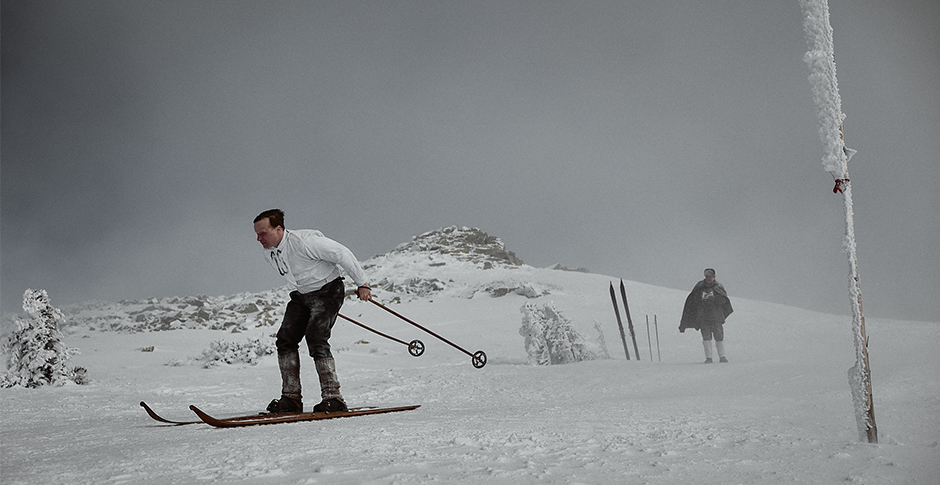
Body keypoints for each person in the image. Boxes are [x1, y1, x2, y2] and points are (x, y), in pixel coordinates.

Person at [253, 209, 373, 413]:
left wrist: (363, 284)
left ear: (279, 229)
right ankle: (291, 399)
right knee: (285, 339)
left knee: (316, 337)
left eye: (263, 233)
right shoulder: (269, 252)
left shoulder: (306, 242)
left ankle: (334, 398)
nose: (258, 239)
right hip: (302, 295)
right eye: (257, 234)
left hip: (328, 290)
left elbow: (341, 254)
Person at [679, 268, 733, 363]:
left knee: (719, 336)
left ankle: (722, 356)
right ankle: (709, 358)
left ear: (714, 277)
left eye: (710, 277)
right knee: (706, 337)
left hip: (716, 317)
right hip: (703, 317)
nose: (708, 278)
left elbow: (724, 301)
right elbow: (692, 301)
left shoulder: (718, 286)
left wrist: (714, 298)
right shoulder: (699, 286)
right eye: (707, 276)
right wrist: (701, 298)